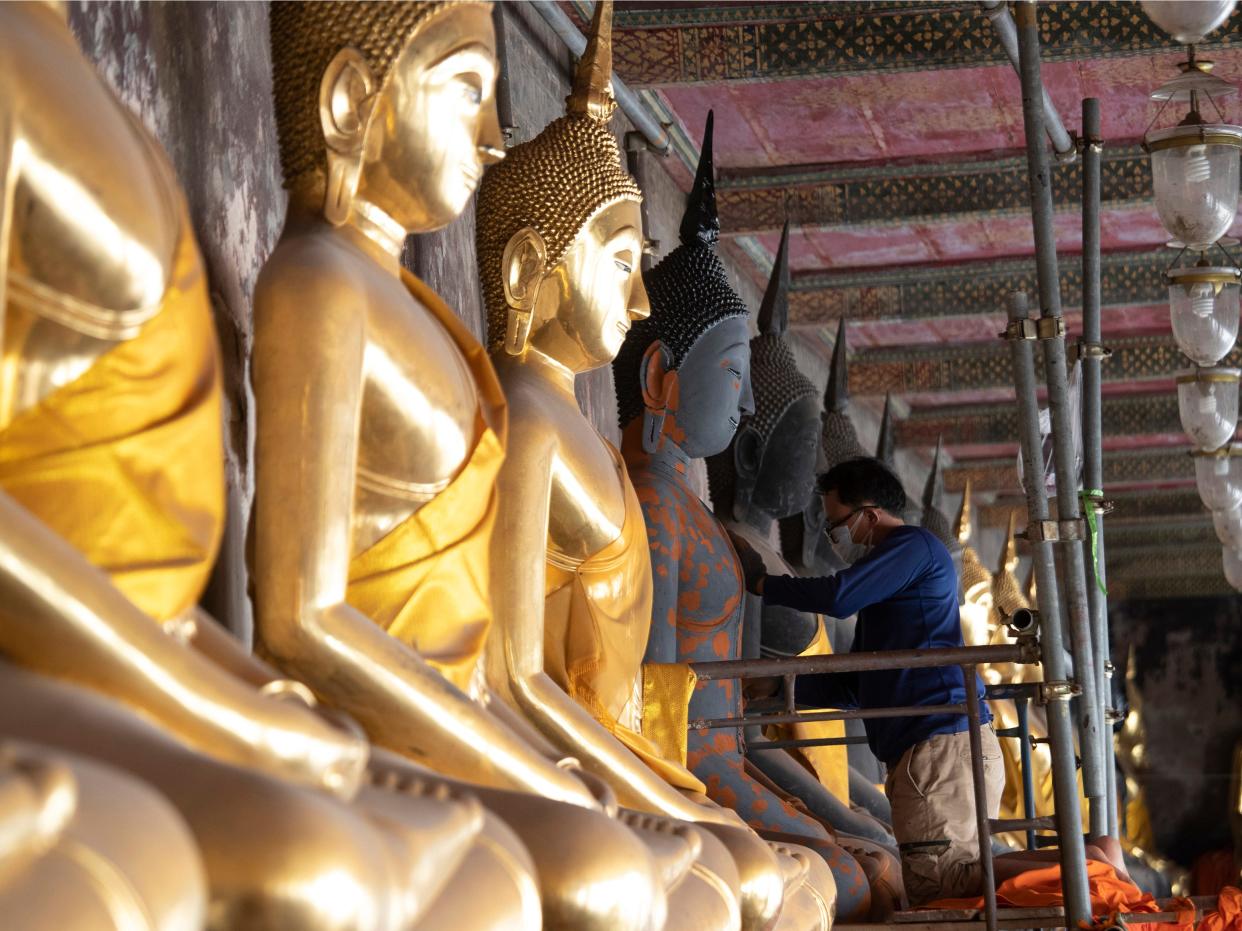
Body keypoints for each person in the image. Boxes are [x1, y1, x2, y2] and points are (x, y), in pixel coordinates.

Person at [731, 456, 1004, 906]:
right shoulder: (887, 599)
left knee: (944, 887)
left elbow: (838, 597)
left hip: (937, 745)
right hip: (937, 746)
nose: (831, 537)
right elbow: (857, 685)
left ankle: (1083, 869)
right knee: (962, 879)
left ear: (870, 515)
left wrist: (762, 584)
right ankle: (1084, 864)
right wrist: (780, 691)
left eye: (836, 523)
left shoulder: (914, 546)